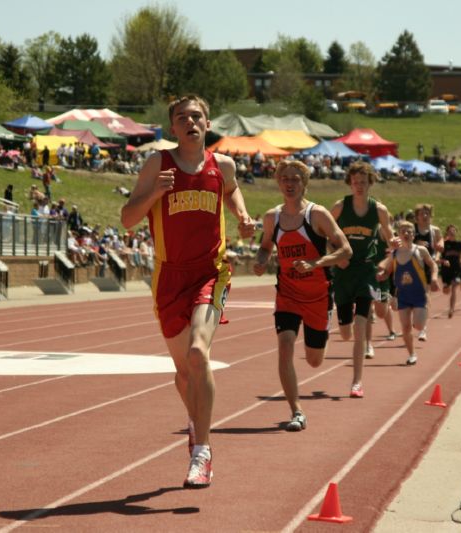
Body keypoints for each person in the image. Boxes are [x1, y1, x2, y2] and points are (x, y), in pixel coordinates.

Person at [120, 95, 255, 489]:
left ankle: (203, 451)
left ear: (208, 122)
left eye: (197, 116)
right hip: (169, 277)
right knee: (183, 373)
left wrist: (242, 217)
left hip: (210, 272)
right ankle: (198, 425)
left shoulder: (222, 166)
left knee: (199, 352)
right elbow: (128, 220)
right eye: (183, 117)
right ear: (173, 128)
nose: (191, 121)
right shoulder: (156, 165)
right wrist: (154, 195)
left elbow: (230, 191)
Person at [253, 160, 351, 428]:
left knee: (314, 360)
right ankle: (296, 411)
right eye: (285, 178)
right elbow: (264, 247)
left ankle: (322, 332)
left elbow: (346, 251)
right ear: (278, 182)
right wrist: (261, 261)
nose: (290, 183)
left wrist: (316, 263)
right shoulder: (272, 217)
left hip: (318, 295)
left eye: (296, 178)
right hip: (287, 294)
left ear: (304, 183)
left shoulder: (317, 215)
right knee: (284, 347)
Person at [329, 161, 395, 398]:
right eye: (355, 182)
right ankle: (344, 325)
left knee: (360, 327)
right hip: (344, 273)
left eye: (363, 182)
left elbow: (391, 241)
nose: (359, 186)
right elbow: (324, 234)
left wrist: (388, 261)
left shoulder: (379, 210)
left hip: (366, 271)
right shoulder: (339, 207)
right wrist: (336, 258)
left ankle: (356, 382)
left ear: (370, 183)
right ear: (350, 182)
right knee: (345, 332)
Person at [377, 221, 439, 365]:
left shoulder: (420, 250)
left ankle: (420, 323)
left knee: (417, 325)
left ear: (413, 234)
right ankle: (412, 354)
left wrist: (434, 278)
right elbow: (387, 272)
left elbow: (433, 264)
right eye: (403, 231)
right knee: (405, 328)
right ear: (398, 234)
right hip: (403, 296)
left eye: (409, 231)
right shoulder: (395, 253)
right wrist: (382, 275)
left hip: (419, 295)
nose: (406, 233)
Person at [412, 203, 443, 341]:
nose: (425, 216)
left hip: (427, 266)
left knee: (425, 296)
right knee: (412, 297)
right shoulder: (412, 229)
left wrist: (440, 246)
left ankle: (423, 328)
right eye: (422, 214)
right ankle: (417, 317)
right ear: (417, 216)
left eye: (427, 213)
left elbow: (440, 241)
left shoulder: (434, 230)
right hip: (411, 265)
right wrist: (416, 243)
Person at [440, 224, 461, 318]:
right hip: (446, 270)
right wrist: (442, 260)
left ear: (456, 232)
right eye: (450, 231)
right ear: (447, 232)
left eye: (454, 231)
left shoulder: (460, 244)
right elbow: (439, 256)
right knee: (446, 291)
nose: (452, 232)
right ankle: (446, 286)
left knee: (454, 288)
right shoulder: (444, 244)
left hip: (456, 269)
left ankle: (451, 309)